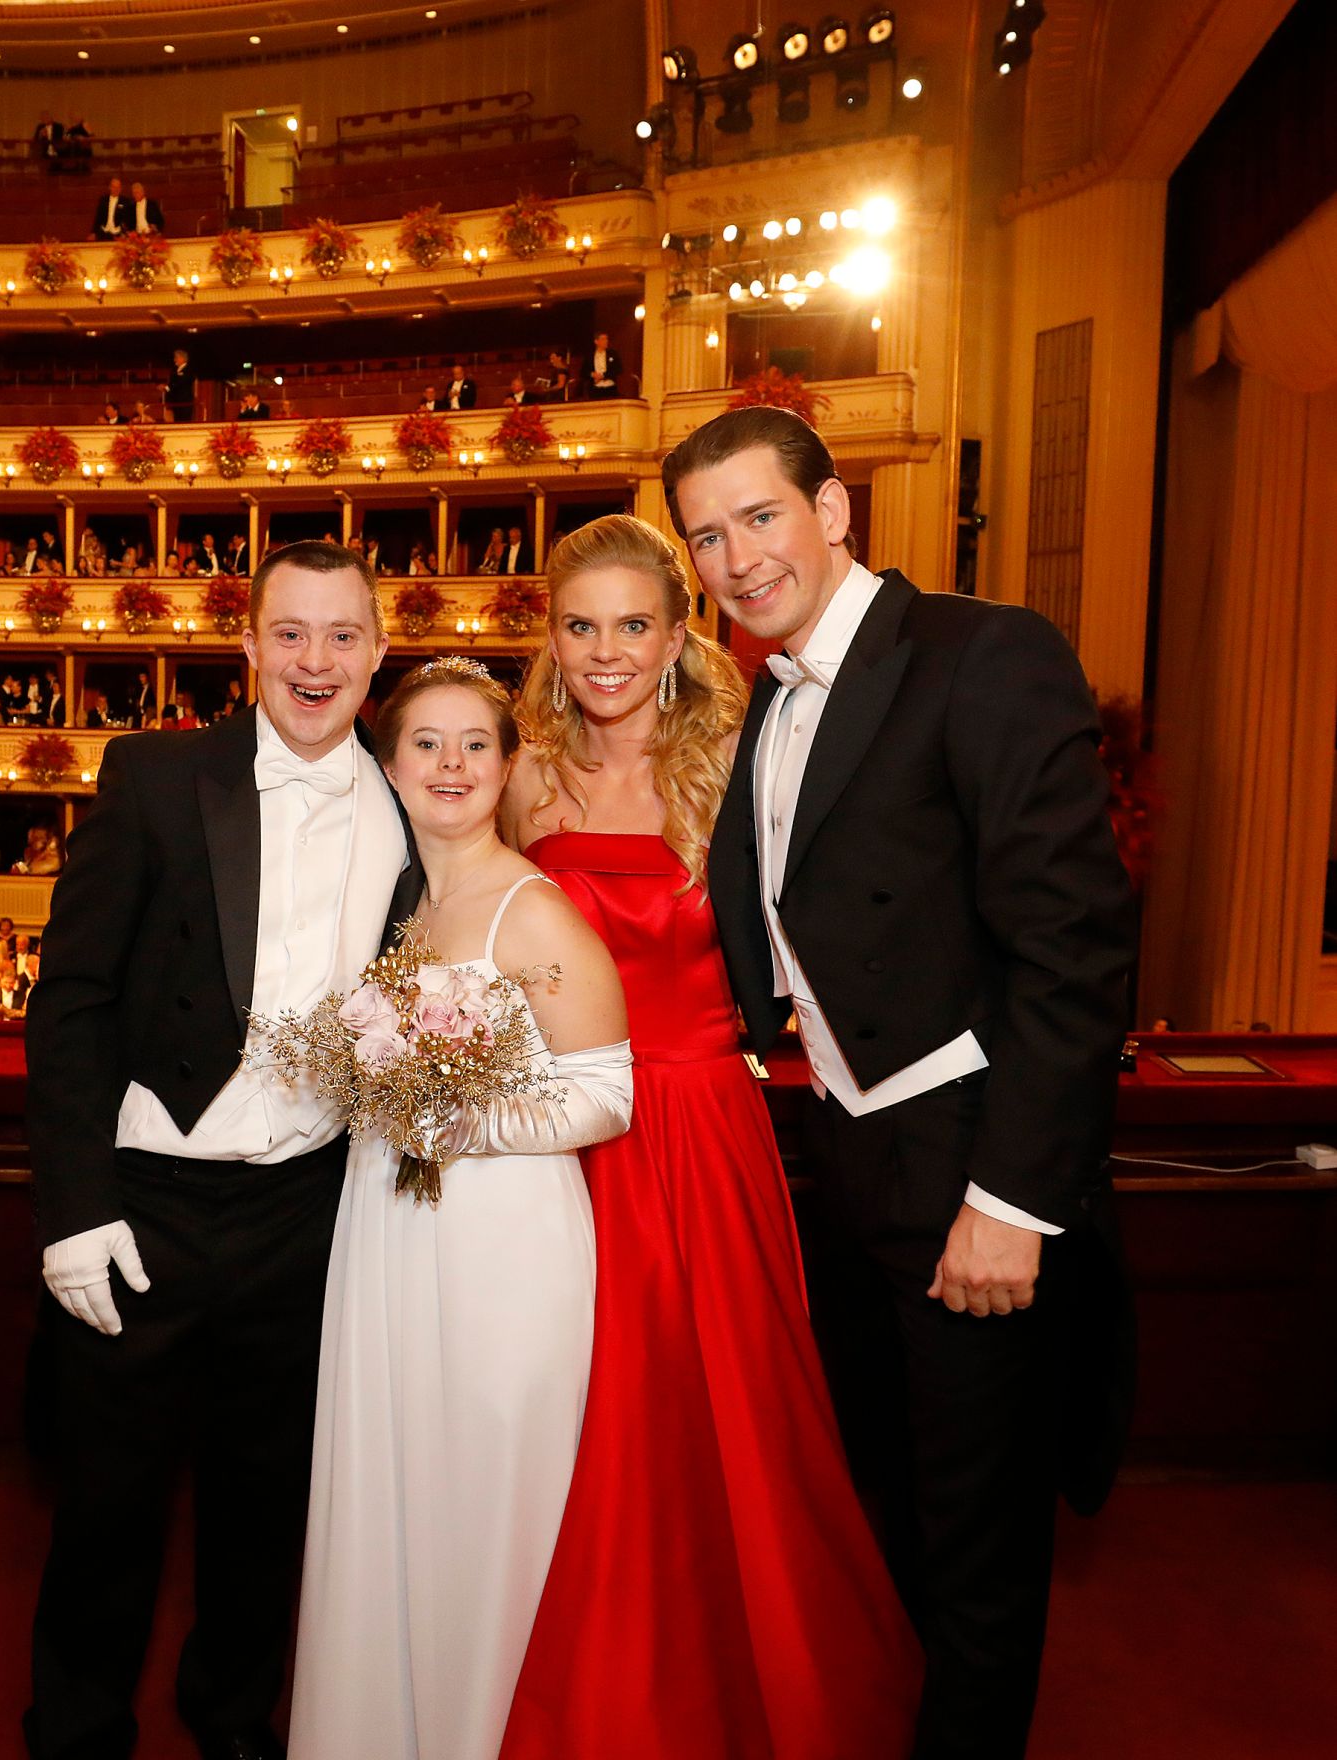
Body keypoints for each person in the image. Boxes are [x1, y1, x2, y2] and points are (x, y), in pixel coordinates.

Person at [666, 405, 1138, 1759]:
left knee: (977, 1549)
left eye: (758, 517)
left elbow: (1071, 947)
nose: (735, 558)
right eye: (707, 535)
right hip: (844, 1167)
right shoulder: (764, 695)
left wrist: (1013, 1198)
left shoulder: (980, 654)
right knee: (892, 1512)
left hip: (967, 1171)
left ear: (831, 513)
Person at [495, 515, 919, 1757]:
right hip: (559, 1133)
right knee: (570, 1408)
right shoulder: (518, 772)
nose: (607, 650)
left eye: (634, 623)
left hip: (697, 1126)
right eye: (582, 625)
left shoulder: (737, 761)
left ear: (679, 635)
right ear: (552, 637)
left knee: (725, 1411)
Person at [23, 541, 419, 1760]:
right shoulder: (152, 776)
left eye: (341, 636)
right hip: (143, 1203)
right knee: (107, 1505)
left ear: (377, 651)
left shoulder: (419, 799)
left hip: (309, 1209)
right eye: (289, 633)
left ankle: (232, 1718)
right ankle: (78, 1730)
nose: (315, 660)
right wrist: (75, 1208)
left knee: (266, 1503)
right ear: (246, 645)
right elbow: (73, 998)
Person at [287, 658, 632, 1760]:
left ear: (508, 764)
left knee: (485, 1502)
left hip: (502, 1248)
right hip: (386, 1235)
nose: (450, 763)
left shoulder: (536, 910)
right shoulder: (402, 905)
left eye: (475, 744)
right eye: (426, 743)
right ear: (388, 766)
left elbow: (607, 1093)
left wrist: (459, 1120)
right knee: (392, 1492)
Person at [583, 331, 622, 399]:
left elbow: (618, 369)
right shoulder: (589, 355)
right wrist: (592, 374)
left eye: (607, 339)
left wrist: (603, 376)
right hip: (595, 389)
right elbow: (583, 372)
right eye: (603, 339)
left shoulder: (612, 354)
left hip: (610, 388)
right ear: (596, 341)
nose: (606, 341)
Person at [165, 349, 198, 423]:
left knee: (184, 421)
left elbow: (180, 383)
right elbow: (172, 382)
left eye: (176, 357)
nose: (174, 360)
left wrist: (167, 388)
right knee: (177, 421)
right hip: (176, 402)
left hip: (184, 401)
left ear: (182, 358)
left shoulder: (189, 370)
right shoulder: (175, 370)